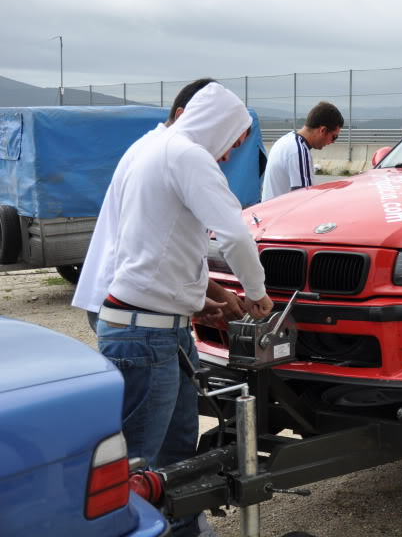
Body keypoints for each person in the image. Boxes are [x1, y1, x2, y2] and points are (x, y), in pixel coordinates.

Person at [94, 81, 274, 537]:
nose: (231, 155)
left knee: (178, 454)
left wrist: (201, 301)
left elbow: (163, 247)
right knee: (140, 466)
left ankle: (183, 530)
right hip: (146, 335)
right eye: (233, 143)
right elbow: (233, 236)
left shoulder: (150, 148)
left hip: (155, 328)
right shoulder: (188, 155)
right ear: (219, 128)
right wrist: (258, 294)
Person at [73, 79, 246, 333]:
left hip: (127, 300)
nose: (225, 155)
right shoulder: (171, 153)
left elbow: (169, 246)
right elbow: (155, 248)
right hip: (130, 305)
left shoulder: (155, 149)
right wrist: (231, 292)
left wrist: (195, 301)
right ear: (184, 115)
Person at [262, 101, 343, 201]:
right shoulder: (298, 151)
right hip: (282, 215)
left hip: (269, 212)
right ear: (323, 130)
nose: (332, 142)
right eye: (334, 137)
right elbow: (305, 200)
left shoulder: (286, 141)